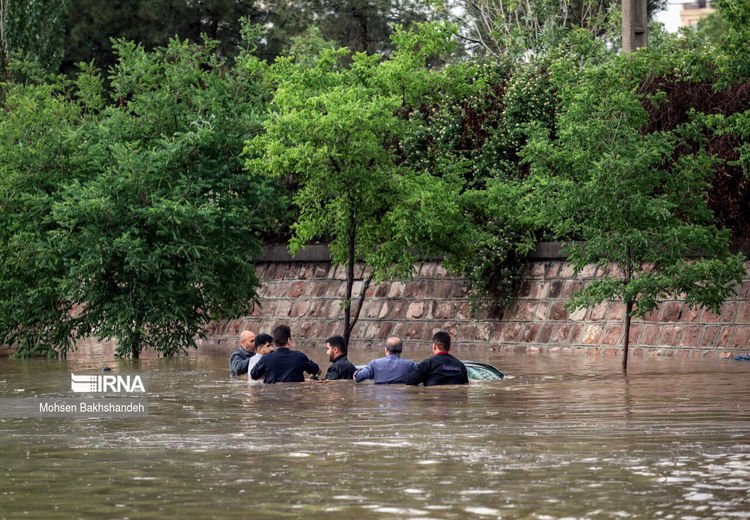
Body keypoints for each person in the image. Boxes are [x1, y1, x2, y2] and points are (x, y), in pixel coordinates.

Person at [250, 325, 320, 383]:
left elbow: (253, 376)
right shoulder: (300, 357)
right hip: (294, 397)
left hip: (272, 396)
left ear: (274, 342)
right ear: (288, 340)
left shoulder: (265, 359)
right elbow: (317, 370)